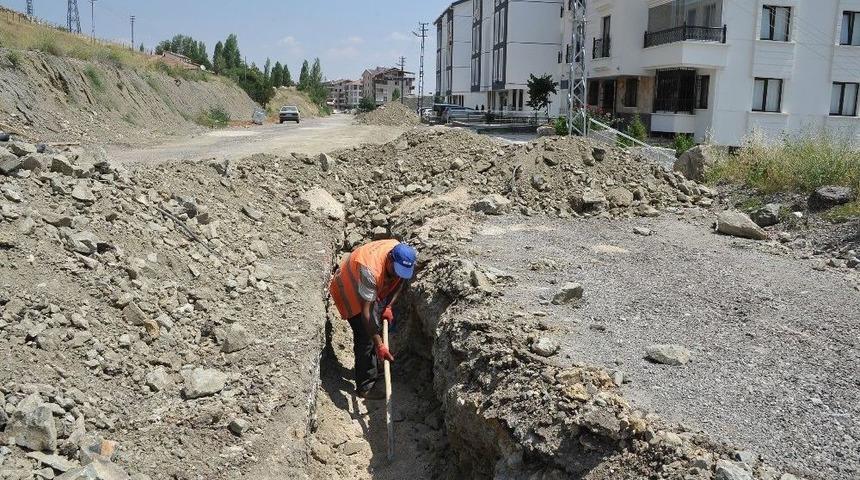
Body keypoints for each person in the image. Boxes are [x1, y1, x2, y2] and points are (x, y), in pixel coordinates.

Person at [329, 240, 417, 399]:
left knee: (374, 328)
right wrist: (379, 344)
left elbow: (400, 281)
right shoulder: (370, 270)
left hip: (369, 289)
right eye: (397, 270)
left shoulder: (403, 257)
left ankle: (376, 365)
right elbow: (366, 314)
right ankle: (366, 386)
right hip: (349, 290)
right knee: (366, 336)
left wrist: (389, 306)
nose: (399, 274)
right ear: (390, 259)